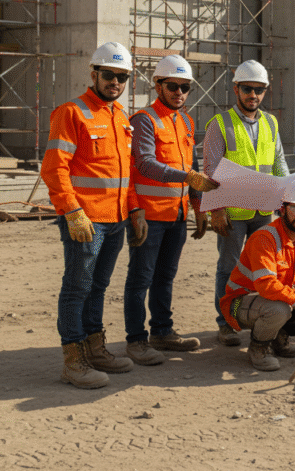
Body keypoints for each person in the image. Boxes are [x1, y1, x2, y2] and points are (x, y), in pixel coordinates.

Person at [42, 42, 139, 389]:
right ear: (94, 74)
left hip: (115, 220)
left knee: (98, 286)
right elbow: (54, 169)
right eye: (110, 75)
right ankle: (73, 360)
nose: (115, 82)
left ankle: (94, 347)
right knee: (77, 288)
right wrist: (72, 212)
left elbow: (124, 173)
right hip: (86, 220)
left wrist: (135, 211)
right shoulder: (72, 112)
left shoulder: (119, 117)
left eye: (122, 77)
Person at [124, 54, 219, 365]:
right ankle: (136, 341)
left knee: (165, 277)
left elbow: (189, 166)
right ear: (158, 85)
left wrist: (198, 207)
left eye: (185, 87)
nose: (180, 92)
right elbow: (145, 164)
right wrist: (189, 177)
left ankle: (162, 332)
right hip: (149, 215)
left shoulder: (184, 121)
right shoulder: (145, 120)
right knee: (141, 279)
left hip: (176, 216)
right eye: (173, 85)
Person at [204, 59, 289, 346]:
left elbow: (278, 163)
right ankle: (225, 323)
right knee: (228, 267)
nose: (254, 95)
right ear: (236, 89)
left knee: (266, 268)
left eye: (259, 90)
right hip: (233, 211)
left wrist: (288, 194)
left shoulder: (271, 122)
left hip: (263, 209)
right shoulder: (219, 124)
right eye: (248, 89)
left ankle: (262, 320)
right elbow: (211, 171)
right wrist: (216, 209)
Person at [219, 180, 295, 371]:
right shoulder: (265, 238)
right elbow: (266, 284)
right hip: (241, 302)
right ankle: (259, 348)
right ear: (282, 209)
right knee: (280, 310)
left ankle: (279, 338)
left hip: (275, 299)